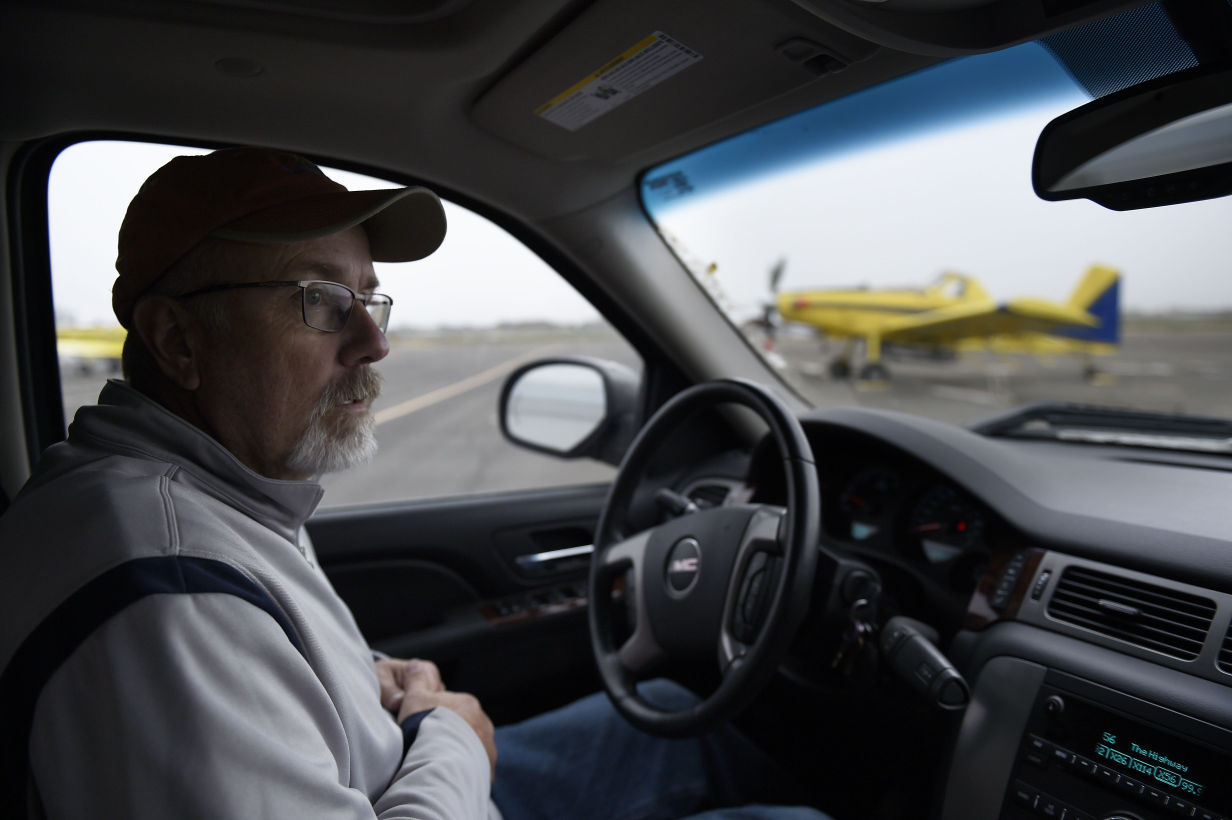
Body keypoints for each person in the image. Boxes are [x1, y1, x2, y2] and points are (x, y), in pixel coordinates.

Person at [0, 147, 830, 819]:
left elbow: (256, 667)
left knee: (679, 724)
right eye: (321, 300)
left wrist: (366, 678)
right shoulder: (169, 593)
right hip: (409, 785)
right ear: (178, 340)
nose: (373, 341)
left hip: (382, 772)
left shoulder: (192, 495)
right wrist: (451, 735)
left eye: (371, 298)